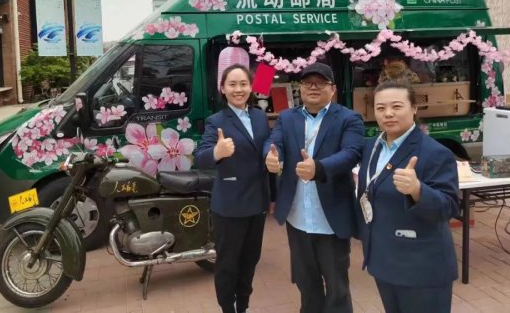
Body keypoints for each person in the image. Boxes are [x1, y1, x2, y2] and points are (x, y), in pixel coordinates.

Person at [264, 62, 364, 313]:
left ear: (333, 89)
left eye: (320, 83)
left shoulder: (349, 118)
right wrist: (271, 156)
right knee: (306, 285)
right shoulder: (287, 117)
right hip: (298, 218)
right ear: (300, 87)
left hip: (331, 219)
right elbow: (274, 142)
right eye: (308, 82)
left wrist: (318, 168)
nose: (313, 87)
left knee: (337, 287)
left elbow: (351, 153)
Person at [356, 79, 459, 313]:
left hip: (422, 268)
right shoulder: (371, 147)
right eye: (381, 108)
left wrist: (418, 190)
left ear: (414, 108)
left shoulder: (435, 153)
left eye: (397, 106)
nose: (388, 114)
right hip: (384, 261)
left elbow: (449, 207)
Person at [195, 64, 270, 313]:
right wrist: (217, 152)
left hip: (257, 203)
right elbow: (201, 157)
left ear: (251, 87)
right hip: (230, 206)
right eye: (232, 84)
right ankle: (228, 308)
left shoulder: (260, 117)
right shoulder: (216, 121)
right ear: (223, 89)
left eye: (243, 84)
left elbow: (267, 147)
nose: (239, 89)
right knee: (228, 264)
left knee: (250, 261)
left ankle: (243, 306)